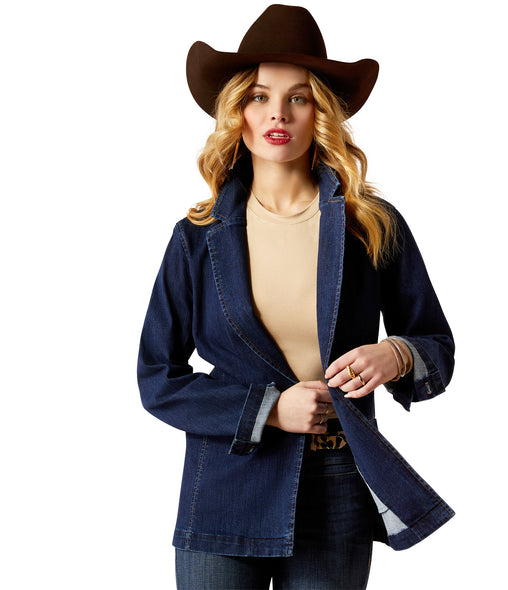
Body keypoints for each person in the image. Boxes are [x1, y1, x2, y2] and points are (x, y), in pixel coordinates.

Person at [138, 5, 455, 589]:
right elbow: (157, 378)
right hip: (226, 485)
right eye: (258, 96)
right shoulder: (196, 237)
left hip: (335, 479)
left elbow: (437, 343)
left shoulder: (370, 224)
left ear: (321, 112)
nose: (277, 114)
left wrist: (397, 355)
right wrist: (268, 411)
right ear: (236, 111)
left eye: (298, 98)